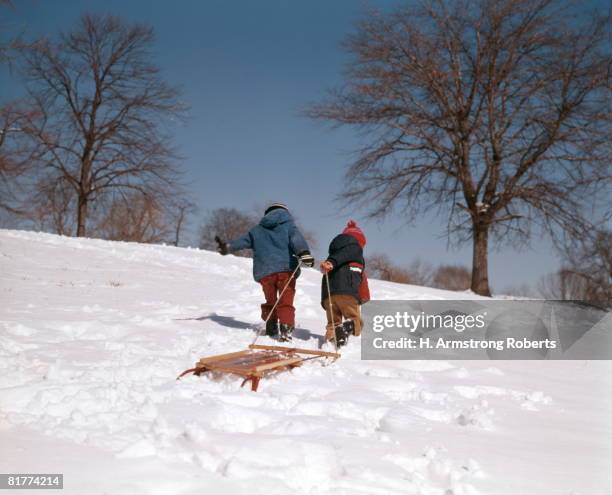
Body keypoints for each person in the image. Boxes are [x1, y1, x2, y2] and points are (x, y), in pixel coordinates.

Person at [215, 203, 314, 341]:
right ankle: (286, 329)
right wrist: (304, 253)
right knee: (285, 300)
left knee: (271, 300)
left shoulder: (257, 230)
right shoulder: (288, 225)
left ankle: (271, 326)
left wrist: (227, 246)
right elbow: (296, 239)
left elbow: (243, 241)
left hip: (265, 272)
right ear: (285, 212)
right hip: (285, 270)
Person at [320, 220, 370, 347]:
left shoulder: (333, 254)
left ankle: (331, 344)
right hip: (348, 294)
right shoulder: (355, 248)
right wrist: (364, 297)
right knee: (356, 321)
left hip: (330, 296)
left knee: (333, 323)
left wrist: (325, 299)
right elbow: (362, 279)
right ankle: (348, 327)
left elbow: (325, 278)